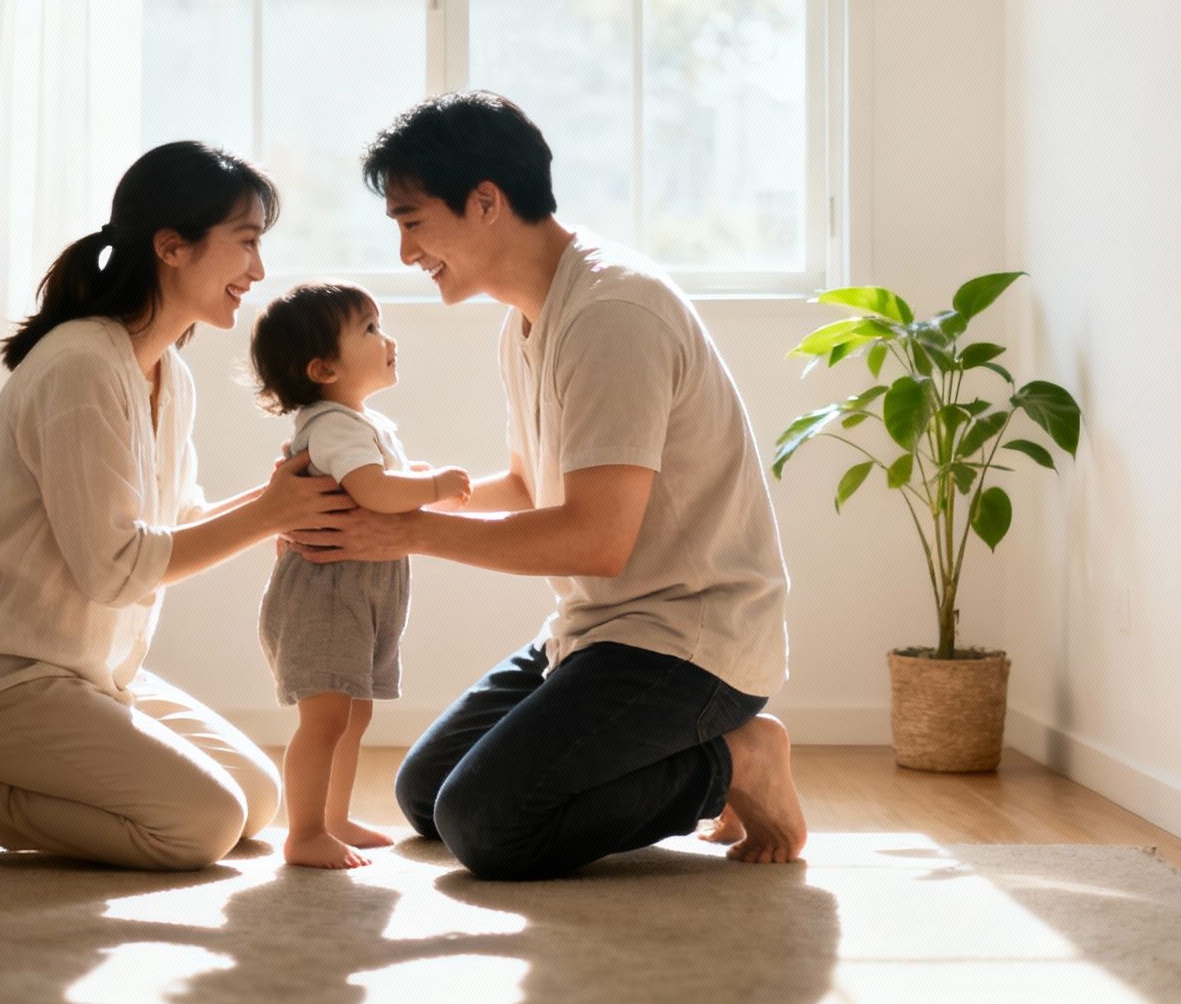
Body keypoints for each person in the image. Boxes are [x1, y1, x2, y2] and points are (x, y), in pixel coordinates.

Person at [290, 91, 809, 881]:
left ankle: (733, 760)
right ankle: (699, 754)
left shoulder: (614, 314)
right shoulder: (528, 318)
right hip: (600, 629)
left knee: (488, 826)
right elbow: (533, 486)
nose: (406, 252)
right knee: (427, 794)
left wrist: (406, 533)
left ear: (486, 201)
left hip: (691, 642)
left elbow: (595, 541)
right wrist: (391, 493)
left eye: (412, 221)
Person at [0, 141, 349, 870]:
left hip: (84, 668)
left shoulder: (168, 373)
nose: (258, 272)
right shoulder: (80, 367)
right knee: (198, 827)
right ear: (172, 246)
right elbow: (114, 569)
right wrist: (269, 513)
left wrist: (281, 503)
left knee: (256, 803)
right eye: (247, 244)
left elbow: (173, 523)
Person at [246, 282, 472, 869]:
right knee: (324, 716)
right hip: (326, 593)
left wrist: (414, 474)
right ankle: (303, 833)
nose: (387, 338)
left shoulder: (359, 423)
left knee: (355, 711)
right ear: (321, 367)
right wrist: (431, 486)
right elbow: (372, 489)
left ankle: (333, 816)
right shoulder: (331, 424)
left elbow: (373, 478)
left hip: (361, 592)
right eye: (369, 330)